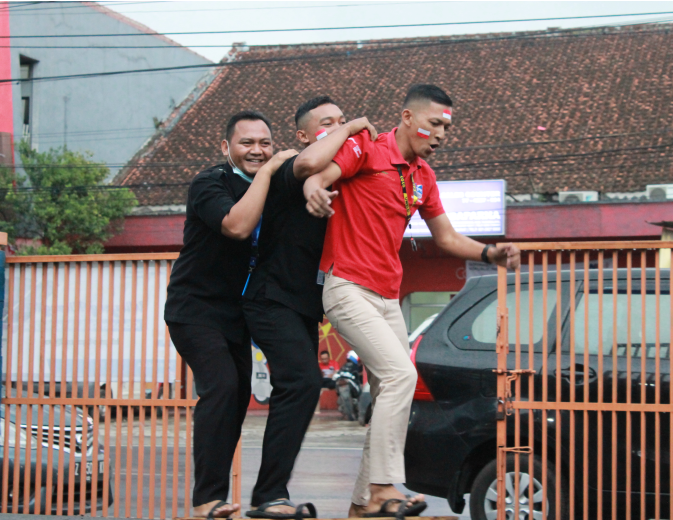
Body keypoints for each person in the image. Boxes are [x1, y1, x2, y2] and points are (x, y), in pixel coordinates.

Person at [303, 84, 521, 518]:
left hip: (387, 297)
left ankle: (363, 505)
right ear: (406, 117)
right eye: (434, 123)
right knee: (401, 375)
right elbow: (319, 174)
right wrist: (314, 188)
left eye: (446, 128)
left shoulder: (423, 176)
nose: (440, 134)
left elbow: (446, 237)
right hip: (347, 287)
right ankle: (383, 488)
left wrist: (489, 253)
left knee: (392, 390)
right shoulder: (367, 148)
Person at [241, 95, 378, 518]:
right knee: (301, 383)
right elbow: (307, 167)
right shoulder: (288, 167)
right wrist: (352, 126)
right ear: (302, 135)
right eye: (327, 123)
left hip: (302, 307)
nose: (340, 128)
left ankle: (274, 493)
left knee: (302, 388)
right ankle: (268, 496)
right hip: (270, 299)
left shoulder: (339, 176)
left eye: (342, 120)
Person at [164, 110, 297, 519]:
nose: (257, 150)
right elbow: (236, 227)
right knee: (221, 387)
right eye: (247, 143)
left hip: (238, 315)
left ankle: (220, 497)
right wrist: (270, 170)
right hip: (195, 308)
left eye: (265, 144)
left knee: (237, 398)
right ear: (226, 147)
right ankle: (206, 499)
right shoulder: (210, 182)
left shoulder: (277, 187)